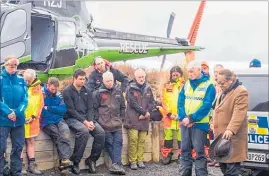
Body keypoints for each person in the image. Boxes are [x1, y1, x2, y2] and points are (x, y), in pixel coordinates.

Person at [63, 69, 105, 174]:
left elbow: (91, 108)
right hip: (72, 118)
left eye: (84, 79)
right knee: (84, 131)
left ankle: (92, 160)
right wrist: (85, 122)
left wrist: (90, 121)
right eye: (80, 79)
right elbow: (71, 110)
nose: (83, 81)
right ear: (74, 78)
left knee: (100, 133)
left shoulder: (87, 90)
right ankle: (75, 162)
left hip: (87, 118)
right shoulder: (67, 91)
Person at [178, 61, 216, 176]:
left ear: (199, 70)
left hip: (199, 125)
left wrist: (191, 118)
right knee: (184, 152)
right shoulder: (186, 84)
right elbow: (180, 102)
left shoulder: (209, 86)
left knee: (199, 153)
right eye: (188, 71)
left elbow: (206, 105)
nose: (189, 74)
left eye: (192, 71)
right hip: (185, 123)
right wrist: (184, 118)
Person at [213, 69, 248, 176]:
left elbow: (239, 113)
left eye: (222, 83)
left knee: (232, 171)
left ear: (230, 80)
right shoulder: (223, 91)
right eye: (218, 83)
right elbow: (217, 109)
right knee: (224, 168)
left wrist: (230, 129)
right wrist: (212, 121)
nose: (219, 85)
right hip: (221, 140)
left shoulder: (241, 91)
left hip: (233, 140)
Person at [93, 72, 126, 175]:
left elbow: (123, 107)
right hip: (104, 124)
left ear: (114, 80)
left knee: (118, 143)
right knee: (109, 144)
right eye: (107, 81)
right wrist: (98, 121)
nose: (109, 83)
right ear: (103, 81)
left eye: (111, 80)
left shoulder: (118, 91)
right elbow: (94, 109)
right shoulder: (98, 93)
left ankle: (116, 165)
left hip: (117, 124)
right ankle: (118, 165)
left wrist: (121, 119)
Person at [0, 56, 28, 176]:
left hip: (19, 120)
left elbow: (25, 99)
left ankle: (16, 171)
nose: (13, 68)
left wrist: (16, 112)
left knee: (18, 147)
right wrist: (8, 112)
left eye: (15, 65)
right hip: (3, 120)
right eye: (11, 65)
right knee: (1, 148)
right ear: (5, 65)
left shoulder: (21, 80)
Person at [40, 77, 73, 173]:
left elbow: (63, 110)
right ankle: (65, 163)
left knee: (65, 132)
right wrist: (54, 110)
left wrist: (49, 108)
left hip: (59, 119)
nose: (54, 91)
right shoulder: (42, 94)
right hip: (46, 122)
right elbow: (42, 111)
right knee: (57, 135)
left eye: (55, 89)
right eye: (52, 89)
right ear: (48, 85)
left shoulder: (58, 95)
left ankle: (64, 162)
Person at [124, 68, 155, 170]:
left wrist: (147, 113)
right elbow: (132, 103)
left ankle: (140, 160)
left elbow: (152, 102)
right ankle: (133, 161)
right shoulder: (130, 88)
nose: (141, 79)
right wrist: (144, 112)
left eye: (143, 77)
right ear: (135, 77)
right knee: (133, 140)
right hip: (133, 118)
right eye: (139, 77)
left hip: (144, 119)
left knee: (142, 140)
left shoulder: (148, 88)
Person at [158, 66, 184, 165]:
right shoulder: (166, 86)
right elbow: (163, 101)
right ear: (170, 75)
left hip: (180, 117)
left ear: (181, 74)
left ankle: (182, 156)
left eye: (177, 74)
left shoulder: (185, 86)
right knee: (168, 137)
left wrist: (180, 114)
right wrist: (169, 113)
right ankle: (167, 155)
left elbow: (186, 102)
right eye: (173, 74)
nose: (175, 76)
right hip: (168, 117)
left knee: (181, 137)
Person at [21, 69, 44, 175]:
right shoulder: (19, 85)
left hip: (32, 120)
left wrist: (33, 116)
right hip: (20, 119)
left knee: (30, 141)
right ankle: (20, 166)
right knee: (19, 142)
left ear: (34, 79)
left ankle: (32, 165)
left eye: (29, 81)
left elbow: (40, 104)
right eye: (26, 80)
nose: (27, 83)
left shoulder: (38, 88)